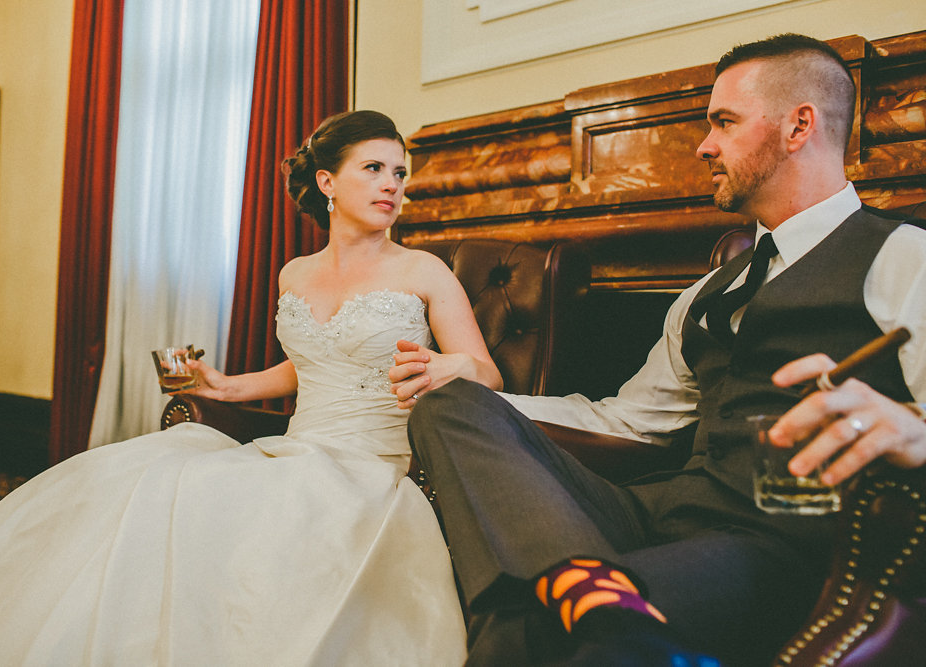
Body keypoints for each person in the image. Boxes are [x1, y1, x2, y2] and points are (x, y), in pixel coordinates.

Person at [396, 34, 926, 666]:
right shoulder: (705, 293)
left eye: (724, 122)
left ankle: (583, 609)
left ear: (799, 126)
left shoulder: (905, 258)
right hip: (656, 510)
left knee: (522, 624)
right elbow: (629, 422)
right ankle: (600, 606)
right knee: (450, 405)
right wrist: (485, 401)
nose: (703, 145)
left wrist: (913, 427)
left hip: (773, 542)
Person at [0, 110, 502, 666]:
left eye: (399, 172)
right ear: (327, 182)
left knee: (256, 511)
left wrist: (445, 367)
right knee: (156, 482)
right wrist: (224, 387)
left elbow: (486, 371)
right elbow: (310, 366)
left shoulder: (422, 270)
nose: (392, 185)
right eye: (373, 168)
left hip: (373, 464)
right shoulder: (296, 273)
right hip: (298, 449)